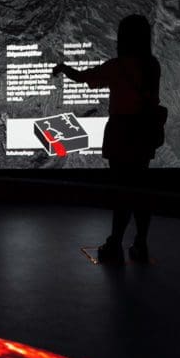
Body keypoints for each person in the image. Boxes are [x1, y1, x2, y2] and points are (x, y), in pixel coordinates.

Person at [52, 14, 161, 265]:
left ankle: (114, 243)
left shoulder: (117, 66)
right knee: (140, 188)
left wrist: (63, 68)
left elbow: (83, 78)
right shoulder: (152, 66)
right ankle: (141, 242)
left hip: (121, 132)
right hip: (144, 132)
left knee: (122, 190)